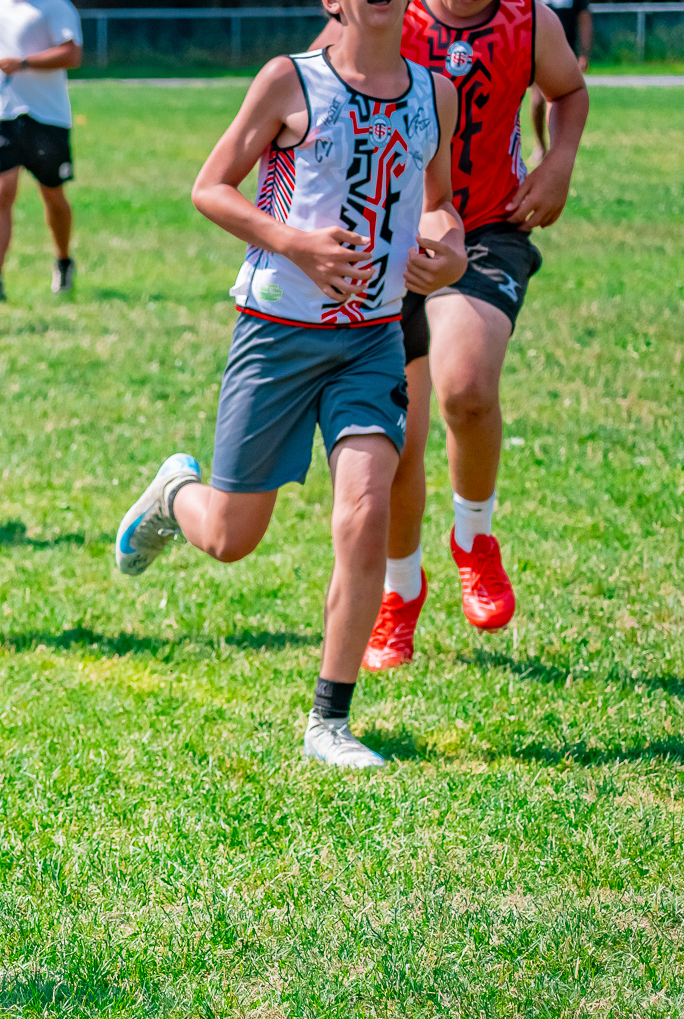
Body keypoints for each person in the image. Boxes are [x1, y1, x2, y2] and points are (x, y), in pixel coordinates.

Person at [114, 0, 466, 768]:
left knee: (367, 510)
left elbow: (439, 208)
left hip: (371, 340)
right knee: (233, 539)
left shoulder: (434, 94)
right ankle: (177, 494)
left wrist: (449, 255)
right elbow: (211, 187)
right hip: (276, 333)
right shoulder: (290, 82)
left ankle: (330, 723)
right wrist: (296, 244)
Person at [314, 0, 587, 670]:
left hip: (489, 228)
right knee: (398, 441)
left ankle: (475, 539)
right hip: (390, 244)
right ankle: (400, 592)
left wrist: (559, 161)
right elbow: (314, 89)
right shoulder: (382, 15)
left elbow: (569, 91)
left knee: (465, 387)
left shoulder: (529, 21)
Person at [0, 0, 82, 302]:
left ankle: (63, 261)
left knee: (53, 195)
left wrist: (24, 63)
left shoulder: (55, 7)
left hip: (47, 116)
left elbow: (72, 54)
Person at [532, 0, 589, 156]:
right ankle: (541, 145)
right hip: (538, 52)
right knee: (537, 102)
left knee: (558, 102)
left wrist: (584, 53)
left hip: (566, 54)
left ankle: (556, 150)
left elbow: (584, 18)